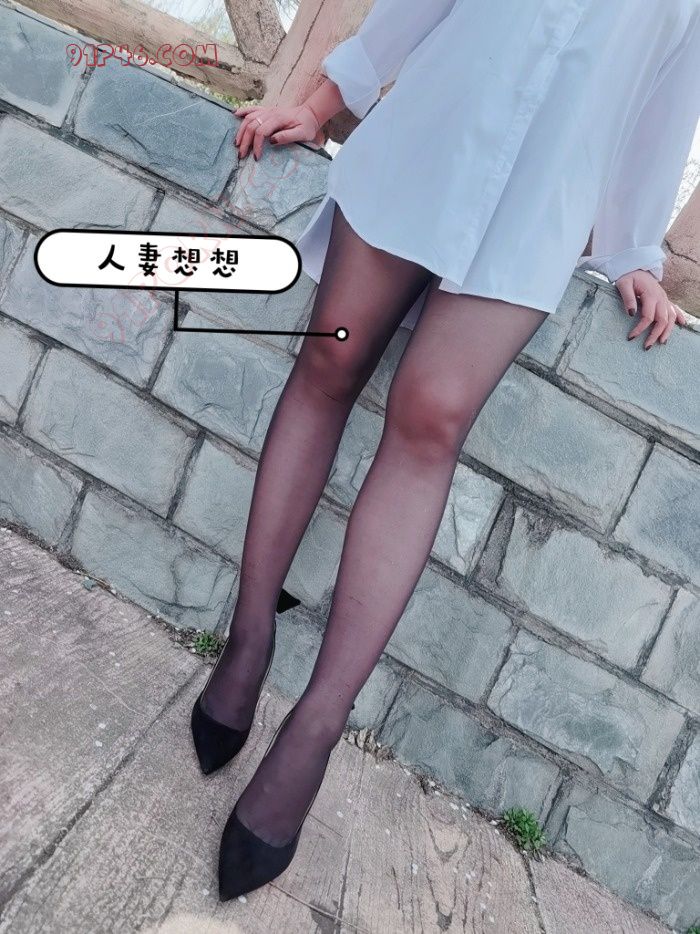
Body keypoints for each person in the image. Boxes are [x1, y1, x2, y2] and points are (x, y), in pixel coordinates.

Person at [190, 0, 700, 900]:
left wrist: (632, 248)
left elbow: (669, 92)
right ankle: (251, 632)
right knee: (330, 362)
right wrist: (324, 102)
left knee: (430, 419)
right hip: (430, 136)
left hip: (544, 199)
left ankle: (317, 724)